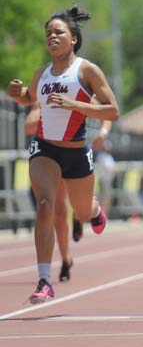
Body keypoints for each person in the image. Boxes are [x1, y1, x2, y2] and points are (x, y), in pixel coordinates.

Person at [6, 5, 119, 303]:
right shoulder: (41, 73)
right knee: (45, 204)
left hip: (77, 152)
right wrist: (17, 94)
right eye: (48, 34)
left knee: (81, 212)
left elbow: (113, 111)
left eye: (58, 32)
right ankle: (44, 279)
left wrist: (77, 106)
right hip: (45, 149)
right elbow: (30, 98)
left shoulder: (87, 70)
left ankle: (94, 211)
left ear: (74, 39)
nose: (52, 37)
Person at [24, 103, 113, 282]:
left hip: (74, 154)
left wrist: (102, 134)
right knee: (58, 212)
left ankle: (82, 213)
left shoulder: (77, 92)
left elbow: (107, 114)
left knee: (80, 207)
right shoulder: (44, 96)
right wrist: (46, 111)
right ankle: (66, 260)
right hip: (50, 158)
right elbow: (28, 127)